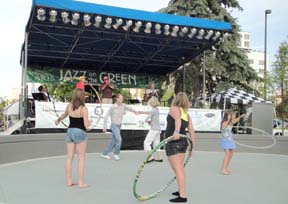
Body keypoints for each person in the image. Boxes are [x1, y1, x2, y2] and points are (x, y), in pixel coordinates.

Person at [55, 88, 91, 188]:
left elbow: (64, 115)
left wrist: (58, 120)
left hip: (69, 131)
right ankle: (80, 183)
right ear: (82, 96)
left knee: (69, 157)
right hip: (80, 132)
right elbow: (86, 126)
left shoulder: (69, 106)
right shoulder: (83, 108)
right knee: (81, 158)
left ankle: (69, 181)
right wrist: (90, 123)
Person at [165, 92, 195, 203]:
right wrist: (192, 147)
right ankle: (180, 189)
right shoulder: (186, 114)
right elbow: (191, 130)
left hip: (174, 143)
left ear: (176, 100)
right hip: (183, 143)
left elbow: (177, 119)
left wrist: (176, 132)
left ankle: (182, 196)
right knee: (179, 169)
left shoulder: (174, 108)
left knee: (178, 169)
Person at [101, 94, 138, 160]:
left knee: (113, 141)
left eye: (122, 99)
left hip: (119, 126)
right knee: (119, 140)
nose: (122, 100)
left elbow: (130, 108)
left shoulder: (123, 105)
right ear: (117, 99)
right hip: (114, 126)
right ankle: (116, 154)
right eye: (121, 98)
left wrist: (135, 111)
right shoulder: (112, 107)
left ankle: (104, 153)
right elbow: (106, 116)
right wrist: (104, 126)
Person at [220, 110, 245, 175]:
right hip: (225, 139)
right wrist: (229, 119)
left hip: (230, 139)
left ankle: (226, 168)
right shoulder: (224, 122)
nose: (232, 115)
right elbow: (223, 128)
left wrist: (240, 116)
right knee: (227, 154)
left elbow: (236, 120)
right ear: (227, 115)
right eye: (231, 114)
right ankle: (223, 169)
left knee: (231, 153)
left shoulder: (231, 122)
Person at [139, 97, 162, 162]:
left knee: (146, 143)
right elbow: (150, 112)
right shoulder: (157, 109)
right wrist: (141, 112)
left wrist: (149, 122)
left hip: (153, 129)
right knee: (157, 144)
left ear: (152, 103)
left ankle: (151, 157)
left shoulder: (153, 110)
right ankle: (160, 157)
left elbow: (146, 119)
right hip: (158, 129)